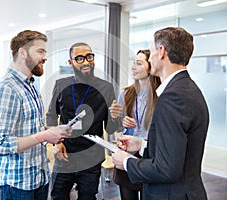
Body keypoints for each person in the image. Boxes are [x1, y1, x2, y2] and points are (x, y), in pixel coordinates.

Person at [112, 27, 209, 200]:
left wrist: (126, 162)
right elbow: (177, 151)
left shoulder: (173, 97)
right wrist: (141, 145)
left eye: (151, 51)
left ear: (161, 51)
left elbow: (166, 169)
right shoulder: (186, 89)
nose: (150, 57)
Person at [0, 30, 72, 200]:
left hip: (38, 177)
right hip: (18, 184)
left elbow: (32, 127)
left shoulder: (30, 85)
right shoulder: (7, 88)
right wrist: (44, 135)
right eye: (40, 51)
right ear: (23, 53)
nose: (45, 57)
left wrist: (52, 132)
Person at [46, 42, 119, 200]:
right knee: (58, 195)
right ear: (70, 62)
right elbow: (51, 116)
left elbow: (111, 129)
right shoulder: (61, 85)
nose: (86, 61)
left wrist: (114, 117)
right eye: (79, 58)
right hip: (64, 154)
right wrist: (56, 143)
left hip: (91, 157)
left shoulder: (106, 88)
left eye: (89, 56)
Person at [109, 49, 161, 200]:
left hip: (149, 156)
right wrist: (121, 121)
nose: (133, 67)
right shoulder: (125, 94)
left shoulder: (161, 96)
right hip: (127, 154)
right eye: (133, 62)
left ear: (150, 67)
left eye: (139, 63)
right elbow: (117, 127)